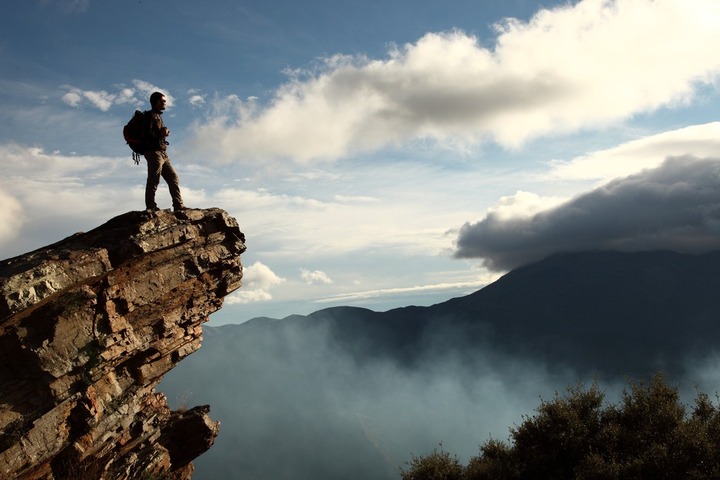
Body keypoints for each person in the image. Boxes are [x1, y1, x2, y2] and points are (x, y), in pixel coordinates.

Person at [144, 91, 186, 212]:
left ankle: (178, 205)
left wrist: (163, 134)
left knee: (173, 177)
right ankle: (151, 206)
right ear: (157, 102)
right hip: (153, 152)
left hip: (162, 153)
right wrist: (160, 133)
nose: (165, 103)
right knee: (154, 179)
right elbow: (146, 135)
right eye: (163, 101)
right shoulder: (149, 116)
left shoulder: (158, 116)